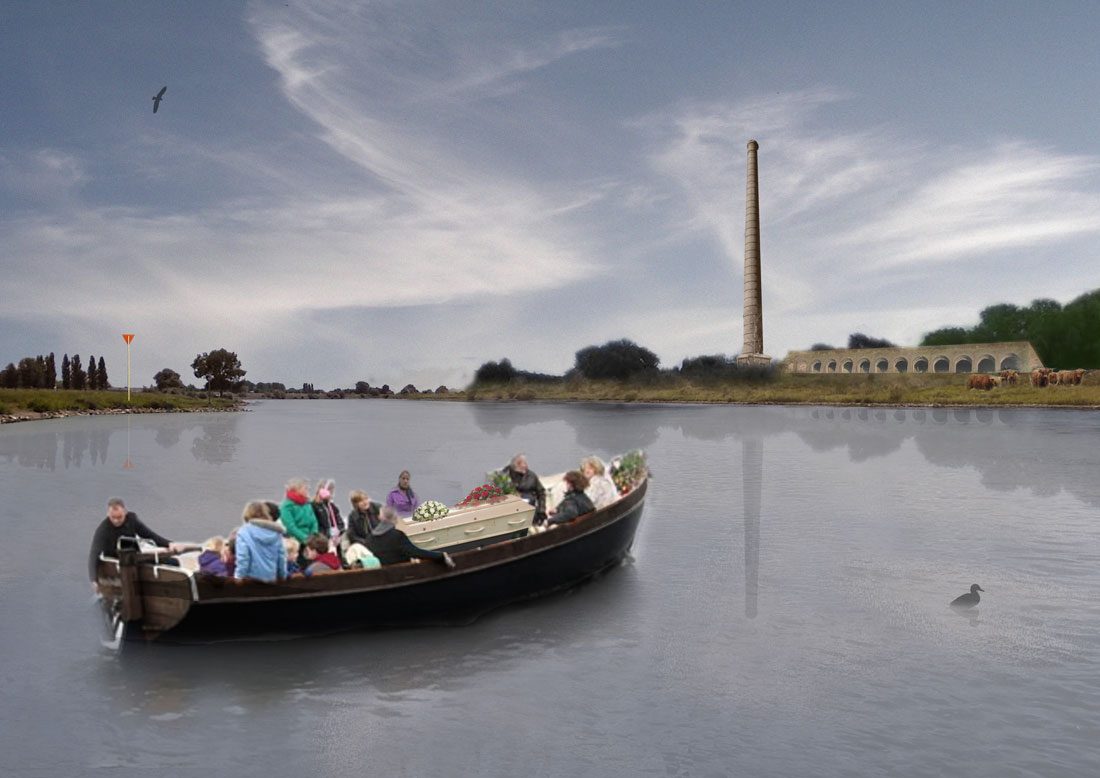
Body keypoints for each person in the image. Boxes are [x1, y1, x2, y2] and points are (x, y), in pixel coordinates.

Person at [88, 497, 188, 586]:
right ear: (108, 514)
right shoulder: (103, 530)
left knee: (173, 562)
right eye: (113, 518)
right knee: (157, 565)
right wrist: (94, 580)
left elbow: (148, 534)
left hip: (134, 556)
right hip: (119, 562)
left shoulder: (131, 519)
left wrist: (169, 544)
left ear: (125, 513)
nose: (116, 521)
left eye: (119, 517)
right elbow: (94, 554)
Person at [367, 506, 456, 569]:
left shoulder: (370, 538)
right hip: (401, 574)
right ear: (395, 519)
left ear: (379, 518)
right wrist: (440, 556)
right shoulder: (397, 535)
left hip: (381, 575)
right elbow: (415, 552)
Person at [234, 501, 288, 583]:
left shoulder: (244, 532)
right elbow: (281, 557)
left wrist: (239, 576)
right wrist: (282, 575)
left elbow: (243, 557)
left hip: (251, 580)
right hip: (271, 579)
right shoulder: (275, 532)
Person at [504, 454, 546, 524]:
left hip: (530, 507)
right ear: (516, 466)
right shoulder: (507, 477)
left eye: (526, 463)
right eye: (524, 464)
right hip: (513, 510)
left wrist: (542, 510)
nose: (526, 466)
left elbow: (541, 493)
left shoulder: (531, 476)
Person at [279, 477, 318, 543]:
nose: (308, 490)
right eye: (305, 488)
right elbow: (290, 527)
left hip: (311, 540)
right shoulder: (286, 506)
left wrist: (314, 535)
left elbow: (314, 522)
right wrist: (306, 539)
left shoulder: (307, 503)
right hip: (294, 542)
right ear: (297, 490)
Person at [311, 478, 345, 543]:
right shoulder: (313, 506)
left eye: (332, 490)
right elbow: (314, 526)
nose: (331, 493)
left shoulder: (333, 507)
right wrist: (328, 532)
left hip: (334, 540)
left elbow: (341, 524)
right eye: (329, 490)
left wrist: (337, 531)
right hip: (321, 539)